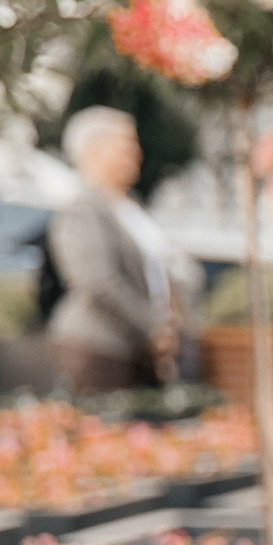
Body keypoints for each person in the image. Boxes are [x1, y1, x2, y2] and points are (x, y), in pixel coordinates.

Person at [46, 107, 185, 392]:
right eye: (126, 145)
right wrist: (151, 328)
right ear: (94, 150)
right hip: (100, 346)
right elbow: (99, 282)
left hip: (139, 349)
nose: (136, 154)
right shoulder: (83, 210)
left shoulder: (129, 206)